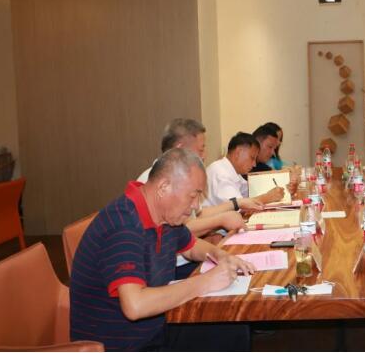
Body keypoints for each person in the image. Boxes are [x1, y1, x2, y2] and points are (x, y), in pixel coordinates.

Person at [70, 148, 256, 351]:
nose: (196, 206)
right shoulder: (124, 225)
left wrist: (222, 256)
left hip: (155, 328)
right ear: (163, 187)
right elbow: (135, 306)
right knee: (228, 335)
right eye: (193, 196)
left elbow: (191, 246)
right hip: (122, 343)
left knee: (234, 329)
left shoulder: (165, 215)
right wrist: (205, 282)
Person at [136, 118, 246, 238]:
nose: (204, 156)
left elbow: (198, 215)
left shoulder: (184, 178)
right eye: (201, 150)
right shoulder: (154, 181)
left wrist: (236, 203)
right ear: (180, 149)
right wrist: (220, 221)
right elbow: (181, 230)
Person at [204, 132, 284, 209]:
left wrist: (274, 191)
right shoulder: (220, 173)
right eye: (252, 158)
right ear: (238, 153)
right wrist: (268, 197)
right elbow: (238, 206)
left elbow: (250, 193)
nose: (254, 164)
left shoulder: (233, 171)